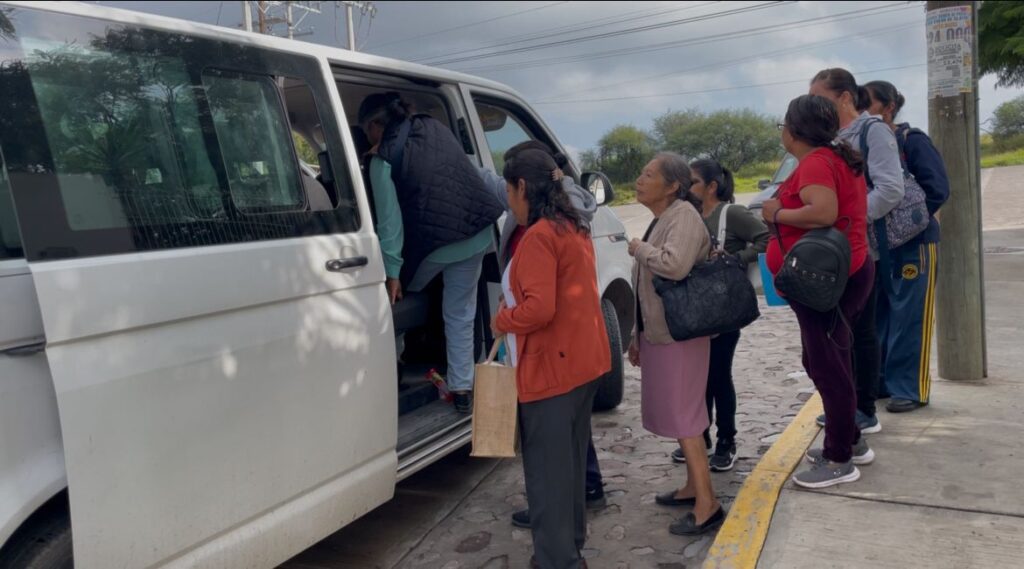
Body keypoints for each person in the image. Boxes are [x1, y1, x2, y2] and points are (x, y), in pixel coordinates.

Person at [477, 141, 607, 529]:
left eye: (508, 190)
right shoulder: (573, 225)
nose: (508, 200)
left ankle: (559, 558)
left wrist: (503, 320)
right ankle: (573, 550)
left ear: (521, 187)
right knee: (567, 467)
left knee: (547, 478)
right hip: (584, 362)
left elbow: (539, 309)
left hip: (551, 370)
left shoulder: (538, 236)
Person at [358, 92, 505, 413]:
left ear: (374, 126)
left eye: (364, 131)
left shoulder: (381, 160)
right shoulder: (435, 127)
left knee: (401, 295)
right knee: (460, 312)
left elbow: (390, 225)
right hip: (476, 232)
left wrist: (394, 274)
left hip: (437, 245)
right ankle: (463, 389)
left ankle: (392, 375)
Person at [761, 95, 874, 488]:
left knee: (828, 366)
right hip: (841, 274)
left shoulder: (816, 162)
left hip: (826, 281)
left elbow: (823, 212)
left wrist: (777, 213)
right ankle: (851, 439)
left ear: (793, 130)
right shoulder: (834, 156)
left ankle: (839, 457)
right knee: (824, 360)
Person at [628, 152, 723, 536]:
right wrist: (638, 337)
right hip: (664, 333)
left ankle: (708, 504)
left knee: (686, 418)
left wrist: (639, 249)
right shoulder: (665, 218)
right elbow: (644, 289)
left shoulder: (682, 216)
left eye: (648, 174)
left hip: (680, 334)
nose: (639, 179)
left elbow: (674, 265)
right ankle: (692, 488)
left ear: (671, 187)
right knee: (683, 416)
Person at [810, 68, 906, 434]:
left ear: (846, 98)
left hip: (863, 247)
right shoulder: (834, 138)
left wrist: (849, 217)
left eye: (822, 99)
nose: (818, 107)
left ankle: (864, 408)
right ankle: (846, 405)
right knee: (842, 331)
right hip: (841, 249)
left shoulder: (873, 131)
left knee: (861, 331)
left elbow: (890, 188)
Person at [668, 159, 770, 472]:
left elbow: (766, 238)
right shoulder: (688, 214)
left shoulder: (731, 213)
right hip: (696, 308)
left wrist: (736, 259)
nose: (688, 189)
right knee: (697, 376)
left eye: (694, 182)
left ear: (712, 186)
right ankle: (701, 436)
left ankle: (727, 438)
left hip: (723, 310)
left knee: (718, 375)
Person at [862, 80, 950, 412]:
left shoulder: (912, 141)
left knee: (911, 316)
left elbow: (938, 187)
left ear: (888, 107)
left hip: (915, 244)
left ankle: (910, 389)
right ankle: (883, 381)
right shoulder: (866, 145)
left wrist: (909, 222)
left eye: (867, 103)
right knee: (879, 316)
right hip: (879, 248)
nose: (861, 111)